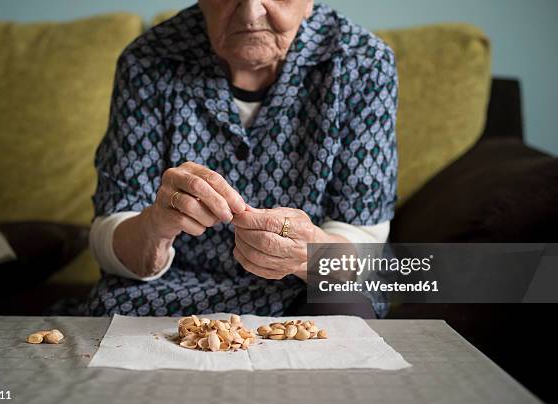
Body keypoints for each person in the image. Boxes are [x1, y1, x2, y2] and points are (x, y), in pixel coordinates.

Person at [84, 0, 398, 318]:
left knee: (346, 313)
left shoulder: (362, 63)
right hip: (169, 291)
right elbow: (110, 228)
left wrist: (309, 254)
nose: (250, 14)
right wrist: (155, 227)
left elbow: (363, 239)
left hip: (302, 289)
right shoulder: (149, 60)